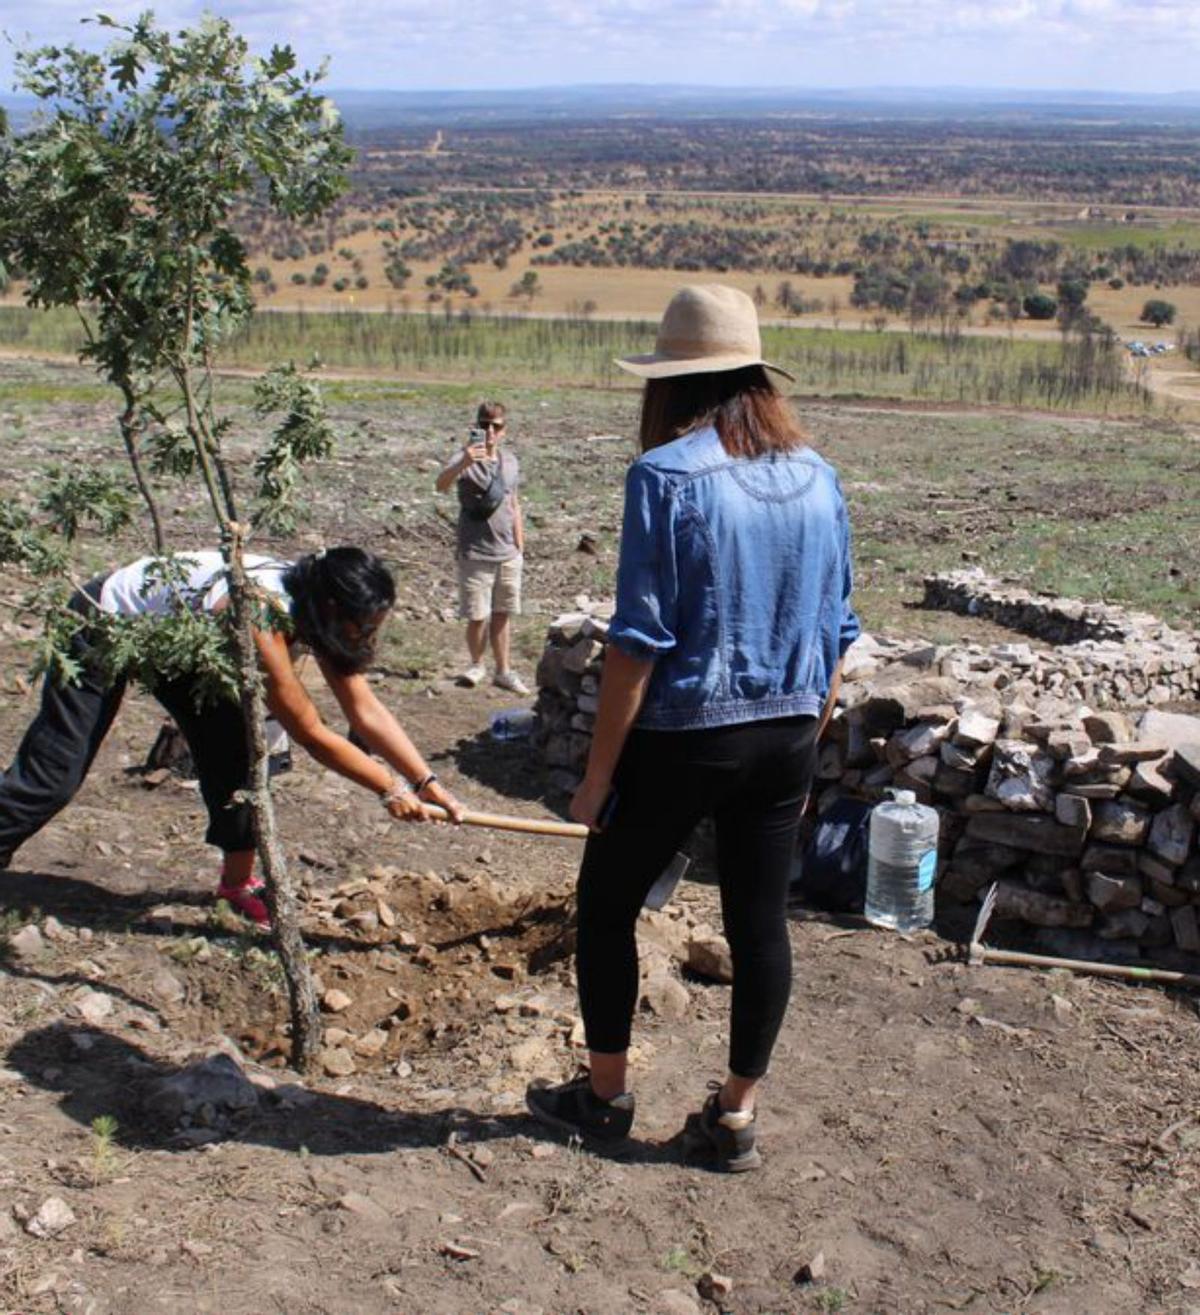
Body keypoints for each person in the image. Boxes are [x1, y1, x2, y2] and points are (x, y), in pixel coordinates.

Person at [525, 285, 859, 1172]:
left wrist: (598, 777)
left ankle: (602, 1097)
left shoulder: (666, 475)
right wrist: (807, 737)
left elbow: (638, 643)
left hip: (689, 733)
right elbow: (839, 634)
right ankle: (735, 1118)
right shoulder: (818, 476)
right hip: (786, 731)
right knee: (760, 925)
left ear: (671, 384)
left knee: (606, 904)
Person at [0, 547, 463, 927]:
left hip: (188, 647)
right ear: (331, 609)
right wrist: (388, 788)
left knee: (240, 760)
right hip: (109, 622)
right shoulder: (259, 614)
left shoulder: (318, 606)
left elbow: (365, 710)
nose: (367, 638)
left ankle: (237, 884)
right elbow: (311, 732)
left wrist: (425, 782)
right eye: (362, 628)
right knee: (54, 773)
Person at [434, 401, 529, 694]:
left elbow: (513, 502)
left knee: (503, 613)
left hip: (508, 552)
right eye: (484, 424)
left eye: (496, 426)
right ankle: (477, 664)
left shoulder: (510, 461)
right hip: (476, 551)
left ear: (504, 430)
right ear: (476, 426)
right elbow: (441, 484)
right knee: (477, 615)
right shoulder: (463, 459)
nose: (490, 431)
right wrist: (464, 461)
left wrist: (520, 545)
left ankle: (503, 670)